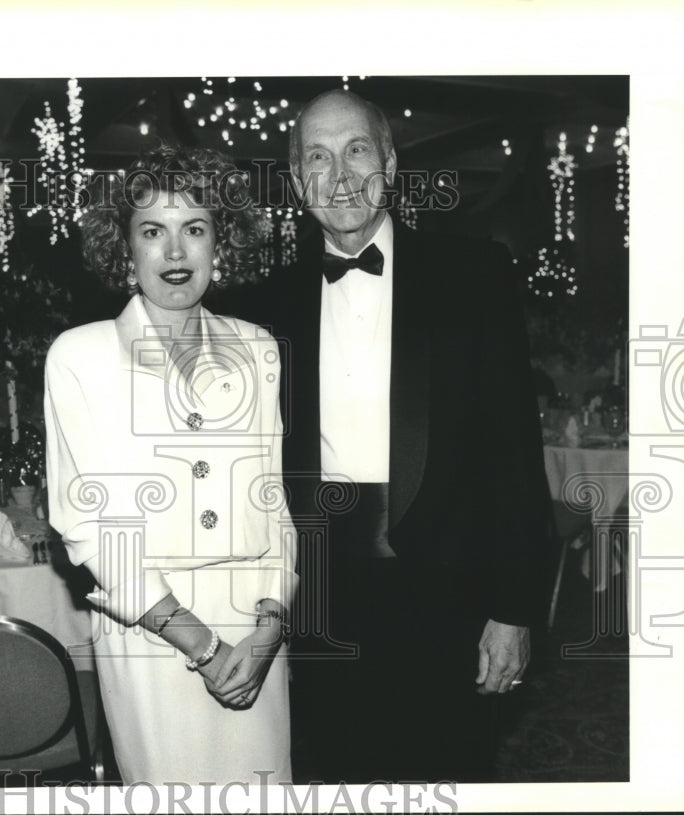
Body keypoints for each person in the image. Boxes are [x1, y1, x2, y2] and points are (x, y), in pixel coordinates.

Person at [231, 90, 552, 783]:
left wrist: (514, 608)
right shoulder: (262, 305)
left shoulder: (474, 275)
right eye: (317, 155)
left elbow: (515, 456)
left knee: (448, 775)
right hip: (317, 597)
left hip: (450, 593)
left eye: (356, 150)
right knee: (334, 777)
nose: (340, 174)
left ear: (390, 162)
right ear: (296, 178)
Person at [43, 145, 297, 785]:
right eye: (153, 231)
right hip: (151, 629)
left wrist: (271, 623)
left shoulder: (259, 348)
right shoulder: (80, 356)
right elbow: (88, 527)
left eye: (195, 229)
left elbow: (277, 502)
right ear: (125, 249)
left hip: (254, 628)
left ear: (221, 244)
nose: (176, 253)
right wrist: (201, 646)